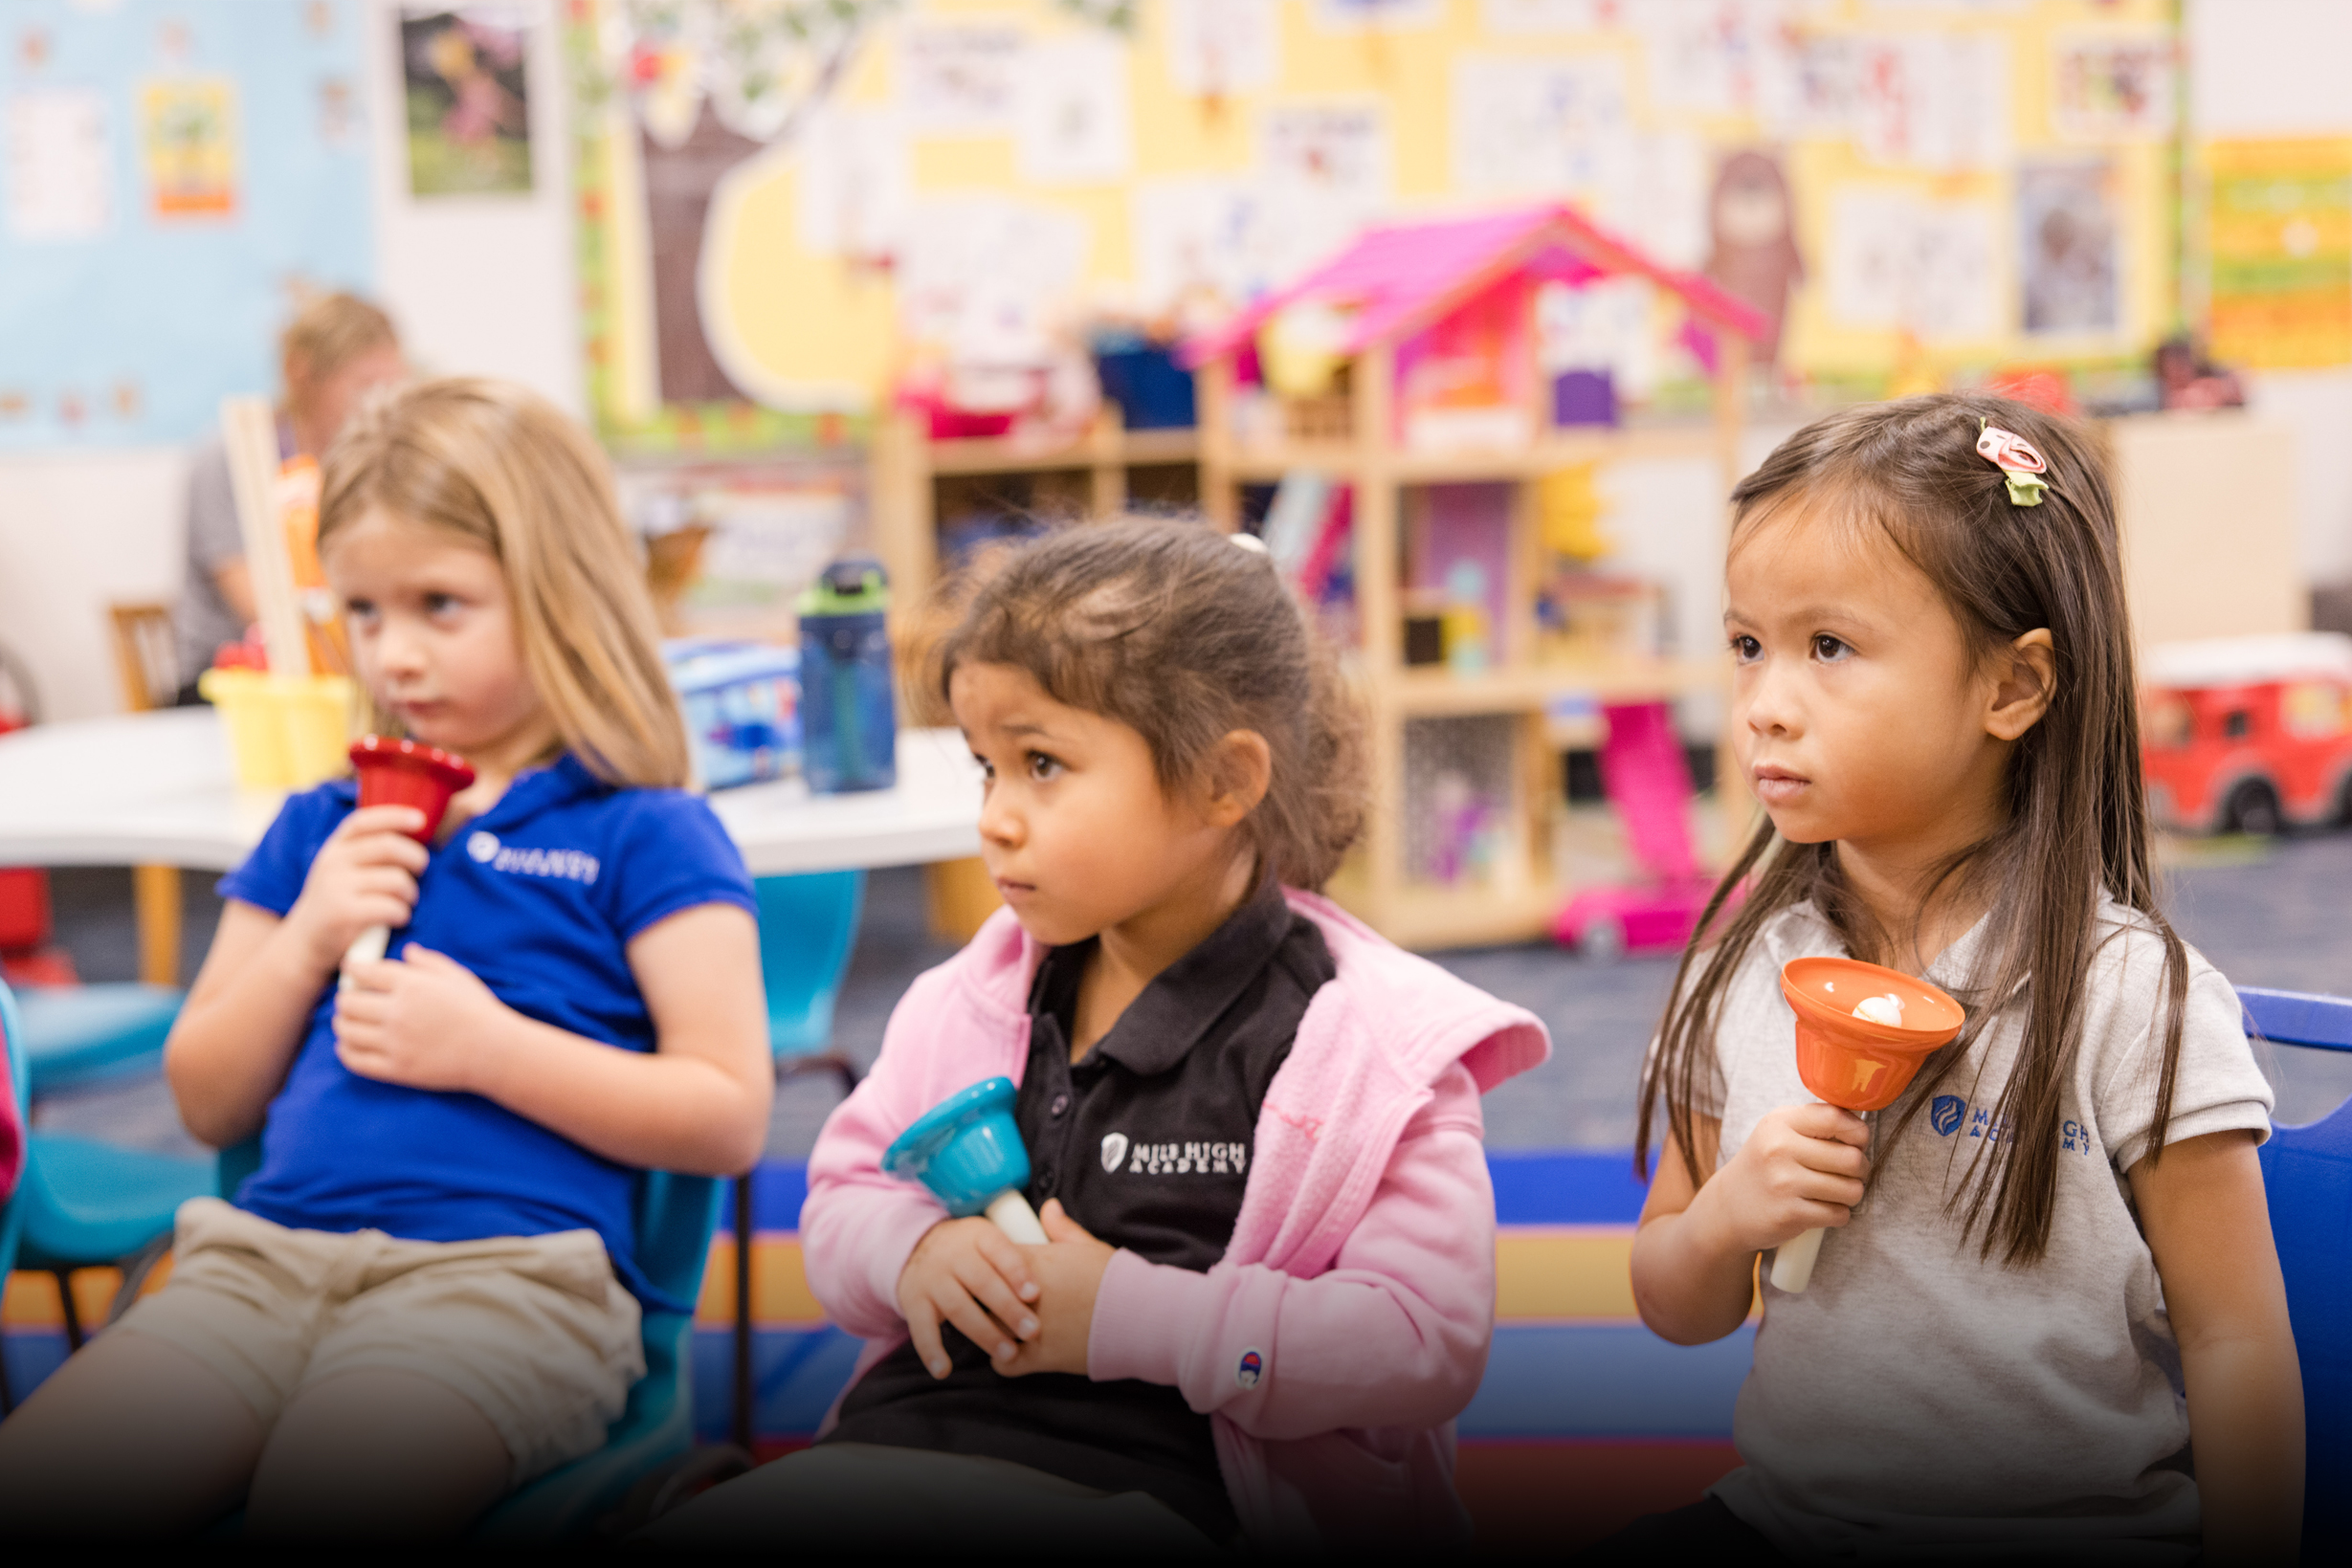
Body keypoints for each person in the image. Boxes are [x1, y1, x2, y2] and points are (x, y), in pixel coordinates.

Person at [642, 520, 1550, 1555]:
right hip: (902, 1450)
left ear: (1223, 781)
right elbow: (842, 1204)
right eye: (987, 767)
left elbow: (1416, 1348)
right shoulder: (971, 999)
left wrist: (1127, 1313)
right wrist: (914, 1253)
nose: (993, 816)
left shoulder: (1364, 1049)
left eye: (1042, 764)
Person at [0, 379, 773, 1540]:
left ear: (557, 596)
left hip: (513, 1285)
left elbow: (726, 1116)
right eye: (362, 610)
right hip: (253, 1271)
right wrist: (308, 931)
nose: (393, 652)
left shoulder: (644, 830)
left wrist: (488, 1050)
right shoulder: (322, 825)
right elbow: (208, 1099)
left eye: (440, 605)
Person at [1608, 395, 2301, 1562]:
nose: (1765, 703)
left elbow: (2236, 1343)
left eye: (1827, 647)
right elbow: (1675, 1301)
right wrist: (1727, 1214)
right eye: (1747, 645)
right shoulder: (1741, 971)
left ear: (2012, 689)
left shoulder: (2130, 997)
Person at [171, 292, 407, 701]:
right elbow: (262, 606)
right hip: (233, 684)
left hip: (337, 673)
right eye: (364, 387)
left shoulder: (367, 459)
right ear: (302, 374)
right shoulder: (234, 455)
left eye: (392, 387)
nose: (378, 405)